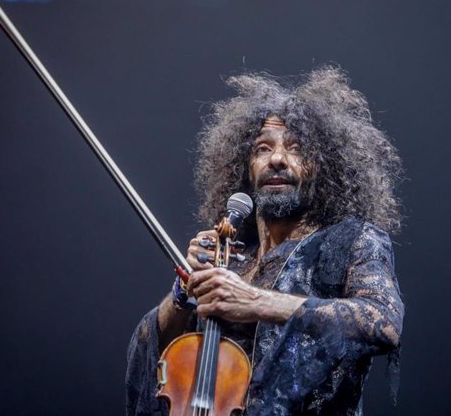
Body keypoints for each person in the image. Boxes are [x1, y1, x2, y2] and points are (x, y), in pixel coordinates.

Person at [126, 66, 405, 415]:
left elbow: (382, 322)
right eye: (262, 148)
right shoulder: (231, 263)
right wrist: (184, 293)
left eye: (296, 149)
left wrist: (254, 301)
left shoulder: (351, 241)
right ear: (245, 167)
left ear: (323, 168)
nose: (277, 158)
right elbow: (153, 358)